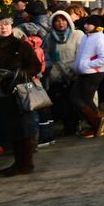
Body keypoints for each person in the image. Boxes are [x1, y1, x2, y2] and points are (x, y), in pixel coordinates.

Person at [0, 13, 43, 177]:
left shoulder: (20, 45)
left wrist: (13, 74)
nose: (4, 27)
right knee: (11, 129)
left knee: (24, 128)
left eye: (7, 24)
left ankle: (26, 164)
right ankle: (18, 162)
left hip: (20, 92)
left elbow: (35, 66)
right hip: (1, 94)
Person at [44, 9, 83, 137]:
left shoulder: (77, 34)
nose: (60, 23)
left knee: (75, 101)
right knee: (62, 103)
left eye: (63, 20)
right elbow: (47, 55)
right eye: (57, 21)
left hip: (75, 73)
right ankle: (68, 127)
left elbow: (81, 53)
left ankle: (78, 123)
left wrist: (76, 69)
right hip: (57, 76)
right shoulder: (49, 37)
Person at [72, 14, 104, 138]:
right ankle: (96, 123)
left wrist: (87, 65)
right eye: (85, 23)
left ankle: (96, 124)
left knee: (83, 99)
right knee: (76, 98)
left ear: (97, 26)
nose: (85, 26)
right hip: (84, 73)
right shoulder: (85, 37)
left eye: (89, 24)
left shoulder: (100, 38)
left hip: (93, 73)